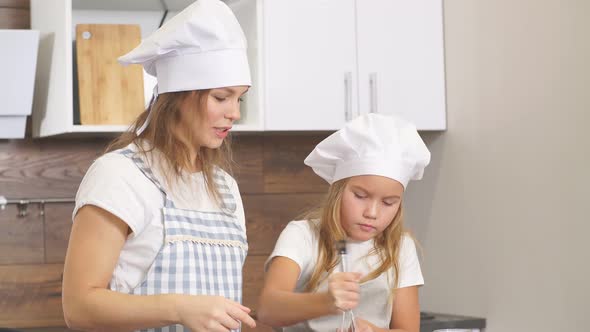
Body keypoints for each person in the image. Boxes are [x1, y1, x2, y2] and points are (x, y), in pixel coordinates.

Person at [61, 1, 256, 331]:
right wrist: (179, 308)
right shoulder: (120, 175)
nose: (234, 112)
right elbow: (78, 307)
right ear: (179, 96)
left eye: (240, 98)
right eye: (222, 97)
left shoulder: (225, 188)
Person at [257, 113, 431, 332]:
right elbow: (268, 309)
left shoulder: (400, 248)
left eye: (388, 202)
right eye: (360, 196)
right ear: (338, 191)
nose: (372, 212)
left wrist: (372, 331)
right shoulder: (302, 236)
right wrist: (325, 302)